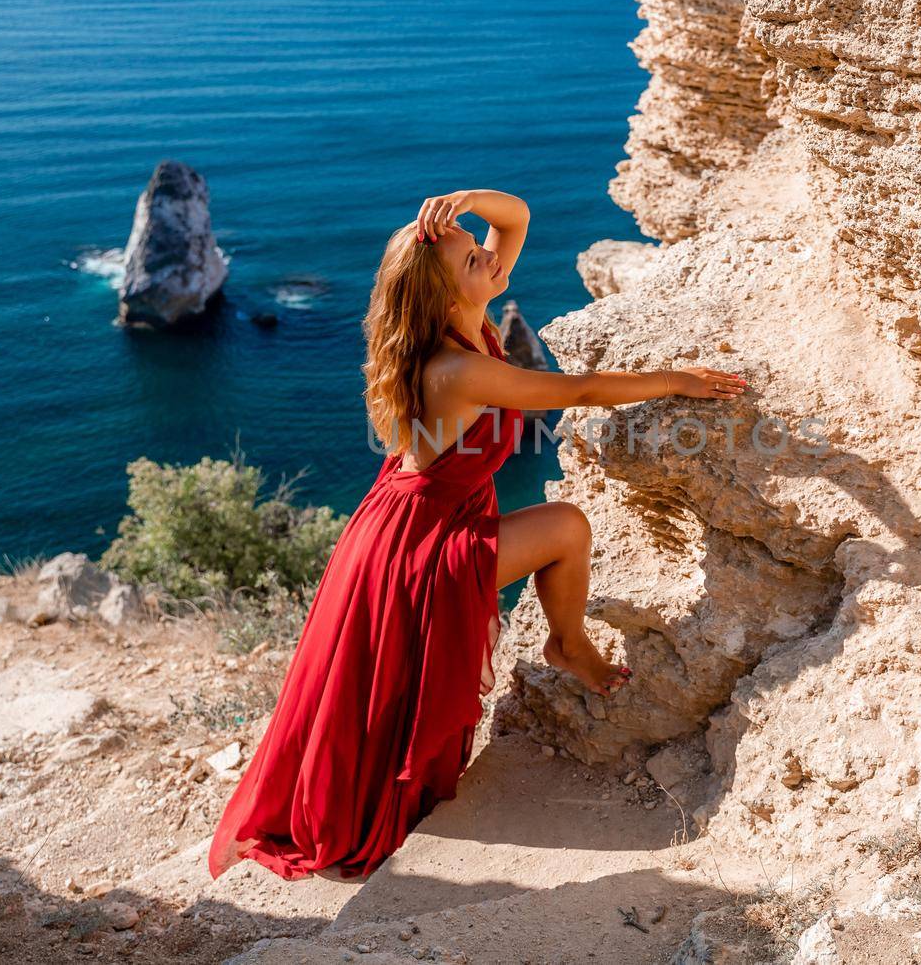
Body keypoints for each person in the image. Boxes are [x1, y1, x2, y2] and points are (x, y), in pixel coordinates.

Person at [206, 189, 748, 882]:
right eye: (472, 257)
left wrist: (463, 201)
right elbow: (577, 391)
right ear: (444, 293)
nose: (491, 256)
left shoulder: (470, 320)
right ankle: (569, 644)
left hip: (405, 522)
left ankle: (564, 642)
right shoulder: (460, 368)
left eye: (480, 248)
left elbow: (516, 216)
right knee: (566, 527)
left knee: (384, 687)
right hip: (421, 543)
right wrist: (680, 379)